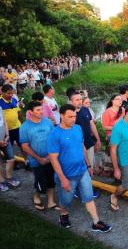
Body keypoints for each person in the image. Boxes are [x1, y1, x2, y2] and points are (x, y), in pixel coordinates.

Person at [48, 104, 111, 232]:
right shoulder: (55, 134)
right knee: (66, 201)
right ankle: (63, 214)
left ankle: (96, 222)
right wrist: (62, 178)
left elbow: (82, 147)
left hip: (82, 171)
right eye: (70, 116)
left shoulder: (78, 128)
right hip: (67, 175)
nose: (73, 119)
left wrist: (88, 165)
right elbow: (53, 158)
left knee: (88, 197)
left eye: (74, 116)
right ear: (61, 116)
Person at [20, 101, 59, 211]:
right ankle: (36, 196)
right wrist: (40, 159)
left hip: (51, 158)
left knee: (51, 180)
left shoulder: (48, 122)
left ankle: (51, 201)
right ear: (30, 112)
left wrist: (52, 155)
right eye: (38, 110)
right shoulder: (24, 127)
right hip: (36, 161)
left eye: (41, 109)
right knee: (41, 182)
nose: (41, 112)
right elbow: (25, 146)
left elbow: (53, 139)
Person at [69, 91, 101, 198]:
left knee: (89, 167)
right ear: (70, 101)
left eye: (80, 99)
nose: (79, 102)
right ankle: (78, 190)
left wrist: (97, 139)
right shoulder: (69, 114)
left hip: (89, 144)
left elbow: (91, 124)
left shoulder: (85, 109)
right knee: (79, 168)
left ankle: (86, 188)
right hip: (77, 147)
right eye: (76, 100)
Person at [0, 106, 16, 191]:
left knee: (11, 159)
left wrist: (7, 135)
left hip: (5, 139)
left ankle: (9, 178)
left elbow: (4, 122)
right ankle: (1, 181)